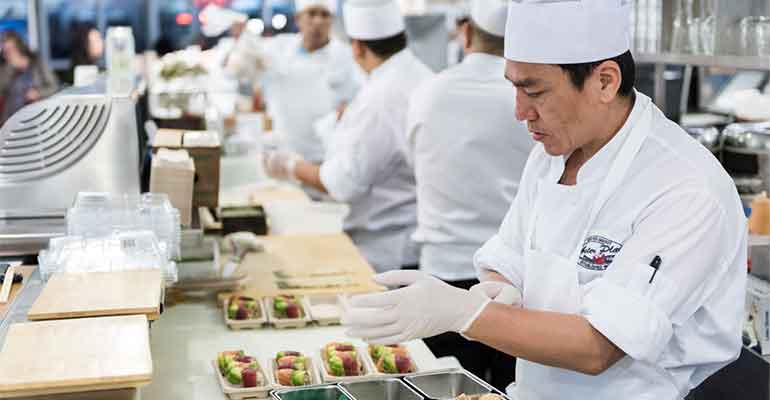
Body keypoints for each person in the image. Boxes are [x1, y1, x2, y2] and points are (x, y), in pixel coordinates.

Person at [342, 1, 747, 399]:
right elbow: (509, 257)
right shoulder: (552, 155)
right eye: (514, 87)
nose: (520, 112)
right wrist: (499, 290)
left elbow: (598, 346)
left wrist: (463, 313)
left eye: (533, 91)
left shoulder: (684, 187)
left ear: (604, 81)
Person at [403, 0, 532, 390]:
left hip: (443, 274)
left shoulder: (428, 92)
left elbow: (416, 165)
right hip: (516, 285)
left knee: (449, 391)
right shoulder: (530, 98)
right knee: (512, 389)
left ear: (465, 33)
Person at [263, 0, 434, 272]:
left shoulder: (380, 98)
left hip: (387, 248)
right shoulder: (420, 75)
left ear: (357, 47)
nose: (317, 22)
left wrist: (289, 165)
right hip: (409, 236)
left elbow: (341, 183)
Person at [227, 0, 360, 164]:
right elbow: (237, 72)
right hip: (283, 152)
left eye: (324, 15)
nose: (318, 21)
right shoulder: (279, 47)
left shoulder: (346, 56)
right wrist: (243, 44)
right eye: (312, 14)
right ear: (298, 19)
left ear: (331, 20)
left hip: (327, 156)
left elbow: (358, 103)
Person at [0, 31, 59, 125]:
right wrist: (11, 69)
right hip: (10, 120)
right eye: (5, 51)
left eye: (11, 49)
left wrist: (38, 92)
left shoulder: (37, 63)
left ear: (19, 47)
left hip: (36, 118)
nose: (8, 54)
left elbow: (55, 86)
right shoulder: (4, 68)